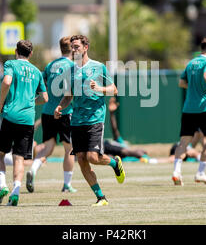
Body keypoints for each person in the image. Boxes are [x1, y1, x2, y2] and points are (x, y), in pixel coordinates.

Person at [54, 35, 124, 206]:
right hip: (77, 120)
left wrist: (99, 88)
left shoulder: (98, 67)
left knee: (93, 157)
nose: (73, 49)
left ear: (86, 48)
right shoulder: (70, 71)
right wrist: (60, 107)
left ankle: (115, 163)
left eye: (76, 46)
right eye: (72, 47)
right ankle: (101, 197)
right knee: (82, 159)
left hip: (95, 118)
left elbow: (113, 89)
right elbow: (68, 96)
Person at [0, 40, 48, 207]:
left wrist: (2, 102)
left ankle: (2, 185)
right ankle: (16, 190)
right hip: (28, 119)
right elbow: (45, 98)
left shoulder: (11, 64)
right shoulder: (37, 72)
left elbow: (7, 82)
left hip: (9, 115)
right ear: (30, 54)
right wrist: (31, 101)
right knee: (19, 159)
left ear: (16, 51)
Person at [26, 36, 77, 194]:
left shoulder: (50, 65)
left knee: (48, 147)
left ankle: (33, 170)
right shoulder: (74, 66)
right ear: (72, 49)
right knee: (70, 149)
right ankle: (67, 185)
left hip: (47, 111)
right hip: (64, 111)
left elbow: (41, 87)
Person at [172, 36, 206, 186]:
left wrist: (194, 88)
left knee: (184, 142)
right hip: (204, 108)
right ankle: (200, 172)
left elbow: (181, 83)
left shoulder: (191, 62)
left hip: (188, 108)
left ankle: (176, 171)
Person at [104, 97, 149, 162]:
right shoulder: (122, 144)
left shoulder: (140, 159)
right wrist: (112, 113)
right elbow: (115, 129)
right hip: (103, 146)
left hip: (108, 155)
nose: (143, 150)